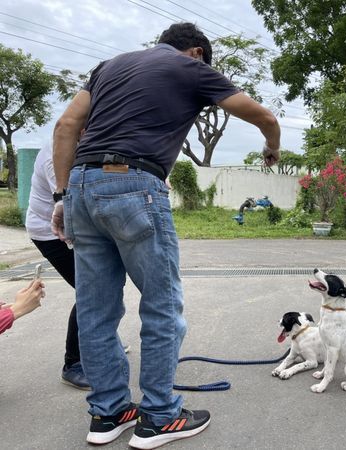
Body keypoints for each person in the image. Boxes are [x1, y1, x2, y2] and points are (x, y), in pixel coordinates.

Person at [51, 22, 281, 448]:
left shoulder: (108, 67)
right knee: (161, 307)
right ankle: (159, 416)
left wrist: (63, 197)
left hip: (80, 186)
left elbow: (66, 126)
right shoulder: (189, 67)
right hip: (134, 183)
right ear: (196, 52)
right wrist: (273, 145)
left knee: (95, 310)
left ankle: (109, 413)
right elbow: (263, 115)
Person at [25, 142, 89, 389]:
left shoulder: (87, 144)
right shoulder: (57, 156)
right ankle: (73, 363)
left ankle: (98, 338)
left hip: (72, 227)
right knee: (89, 290)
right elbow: (71, 205)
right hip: (50, 232)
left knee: (105, 285)